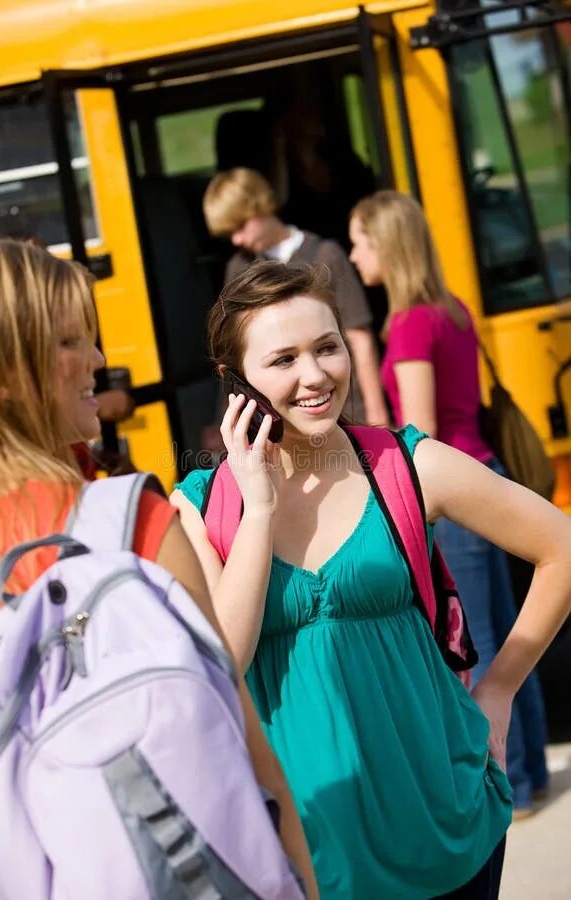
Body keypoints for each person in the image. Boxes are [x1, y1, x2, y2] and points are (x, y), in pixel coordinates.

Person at [171, 260, 571, 899]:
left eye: (327, 347)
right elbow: (226, 658)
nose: (315, 375)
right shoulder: (198, 507)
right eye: (283, 360)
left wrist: (499, 692)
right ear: (235, 381)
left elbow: (562, 547)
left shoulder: (406, 463)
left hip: (445, 821)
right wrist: (261, 507)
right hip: (305, 853)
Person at [0, 238, 318, 899]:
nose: (100, 361)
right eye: (71, 341)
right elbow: (244, 753)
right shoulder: (126, 520)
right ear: (0, 378)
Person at [348, 189, 551, 819]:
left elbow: (422, 432)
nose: (353, 256)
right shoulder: (453, 309)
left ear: (387, 244)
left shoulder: (409, 324)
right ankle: (532, 768)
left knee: (480, 636)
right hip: (486, 470)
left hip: (456, 493)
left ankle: (509, 782)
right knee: (510, 626)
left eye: (359, 241)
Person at [203, 166, 388, 426]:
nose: (236, 239)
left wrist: (376, 410)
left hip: (346, 407)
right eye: (229, 233)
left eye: (240, 226)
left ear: (261, 206)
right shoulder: (239, 267)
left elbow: (359, 337)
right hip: (279, 419)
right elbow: (232, 353)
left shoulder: (326, 255)